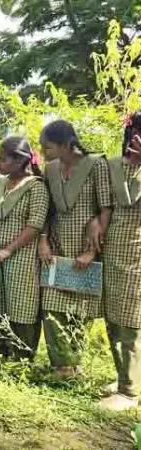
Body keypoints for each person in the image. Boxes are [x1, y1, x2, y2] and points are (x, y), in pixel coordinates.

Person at [38, 120, 112, 378]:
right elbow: (47, 208)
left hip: (86, 244)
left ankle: (75, 362)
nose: (44, 152)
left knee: (81, 306)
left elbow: (106, 208)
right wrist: (44, 239)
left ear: (66, 144)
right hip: (57, 243)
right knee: (52, 302)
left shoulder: (96, 165)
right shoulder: (51, 169)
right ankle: (60, 364)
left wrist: (92, 251)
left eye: (48, 147)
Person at [0, 136, 49, 360]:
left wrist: (7, 250)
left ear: (19, 161)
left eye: (3, 160)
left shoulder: (36, 187)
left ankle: (21, 359)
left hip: (21, 256)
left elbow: (35, 225)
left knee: (22, 305)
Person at [99, 112, 141, 411]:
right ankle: (124, 376)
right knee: (112, 316)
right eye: (135, 131)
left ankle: (129, 391)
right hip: (113, 250)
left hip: (137, 255)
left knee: (131, 318)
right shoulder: (114, 167)